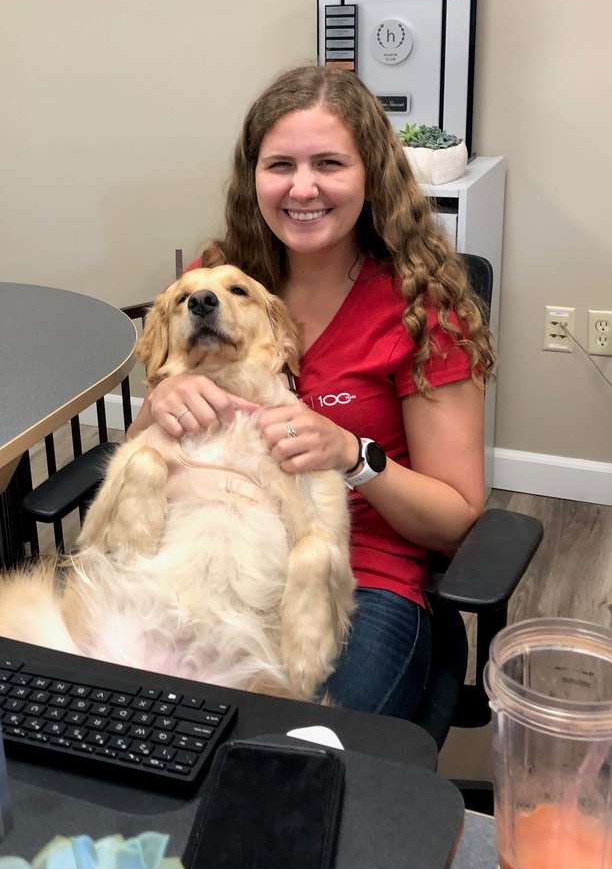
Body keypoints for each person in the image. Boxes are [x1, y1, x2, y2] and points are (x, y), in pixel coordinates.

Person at [128, 63, 496, 719]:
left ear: (371, 174)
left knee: (296, 757)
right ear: (253, 178)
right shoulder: (217, 284)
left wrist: (352, 454)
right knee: (135, 726)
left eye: (329, 163)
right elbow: (145, 455)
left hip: (359, 578)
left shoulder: (421, 307)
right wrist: (157, 409)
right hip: (213, 555)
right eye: (280, 166)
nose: (303, 189)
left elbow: (456, 521)